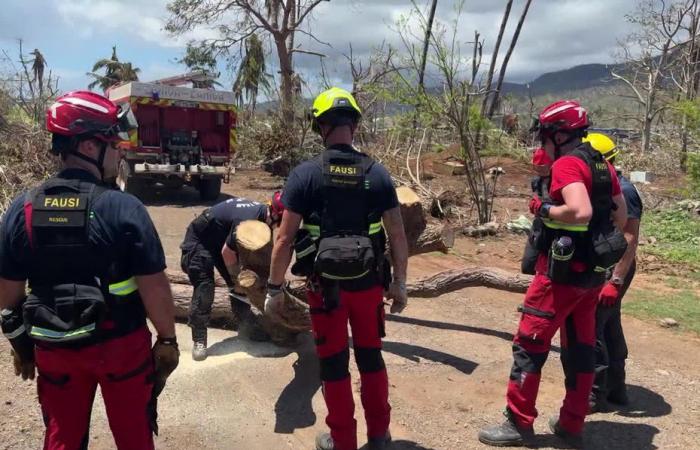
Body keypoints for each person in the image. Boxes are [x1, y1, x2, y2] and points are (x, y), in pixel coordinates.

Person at [0, 91, 179, 450]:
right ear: (87, 146)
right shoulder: (124, 207)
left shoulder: (22, 209)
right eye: (113, 144)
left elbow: (7, 295)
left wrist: (20, 343)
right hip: (121, 347)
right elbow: (155, 288)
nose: (120, 152)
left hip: (55, 348)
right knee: (134, 437)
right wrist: (168, 340)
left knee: (62, 438)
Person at [264, 87, 409, 450]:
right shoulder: (377, 174)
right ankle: (379, 436)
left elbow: (283, 240)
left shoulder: (305, 175)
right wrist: (401, 285)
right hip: (370, 286)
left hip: (324, 289)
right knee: (371, 358)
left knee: (333, 363)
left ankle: (342, 440)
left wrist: (273, 288)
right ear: (354, 125)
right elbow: (397, 234)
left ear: (320, 126)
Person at [478, 100, 628, 448]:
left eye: (545, 136)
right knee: (581, 348)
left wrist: (544, 208)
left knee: (529, 346)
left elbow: (579, 210)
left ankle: (518, 422)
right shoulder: (602, 164)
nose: (542, 144)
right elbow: (620, 217)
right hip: (591, 277)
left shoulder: (568, 164)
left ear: (560, 135)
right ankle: (572, 423)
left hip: (558, 277)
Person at [180, 192, 285, 360]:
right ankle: (199, 338)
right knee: (205, 286)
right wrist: (237, 280)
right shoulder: (247, 221)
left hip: (220, 240)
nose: (278, 226)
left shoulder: (260, 218)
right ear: (273, 214)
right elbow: (227, 252)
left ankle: (246, 327)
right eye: (279, 222)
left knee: (239, 284)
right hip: (200, 240)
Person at [581, 133, 643, 412]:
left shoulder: (625, 191)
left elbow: (630, 237)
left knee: (592, 326)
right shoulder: (603, 188)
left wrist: (615, 280)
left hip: (614, 270)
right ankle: (617, 389)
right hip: (606, 267)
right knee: (610, 325)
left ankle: (595, 393)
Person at [521, 147, 552, 275]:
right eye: (537, 168)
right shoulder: (536, 181)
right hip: (539, 226)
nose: (539, 171)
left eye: (543, 167)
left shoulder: (562, 181)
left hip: (557, 229)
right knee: (528, 265)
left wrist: (543, 207)